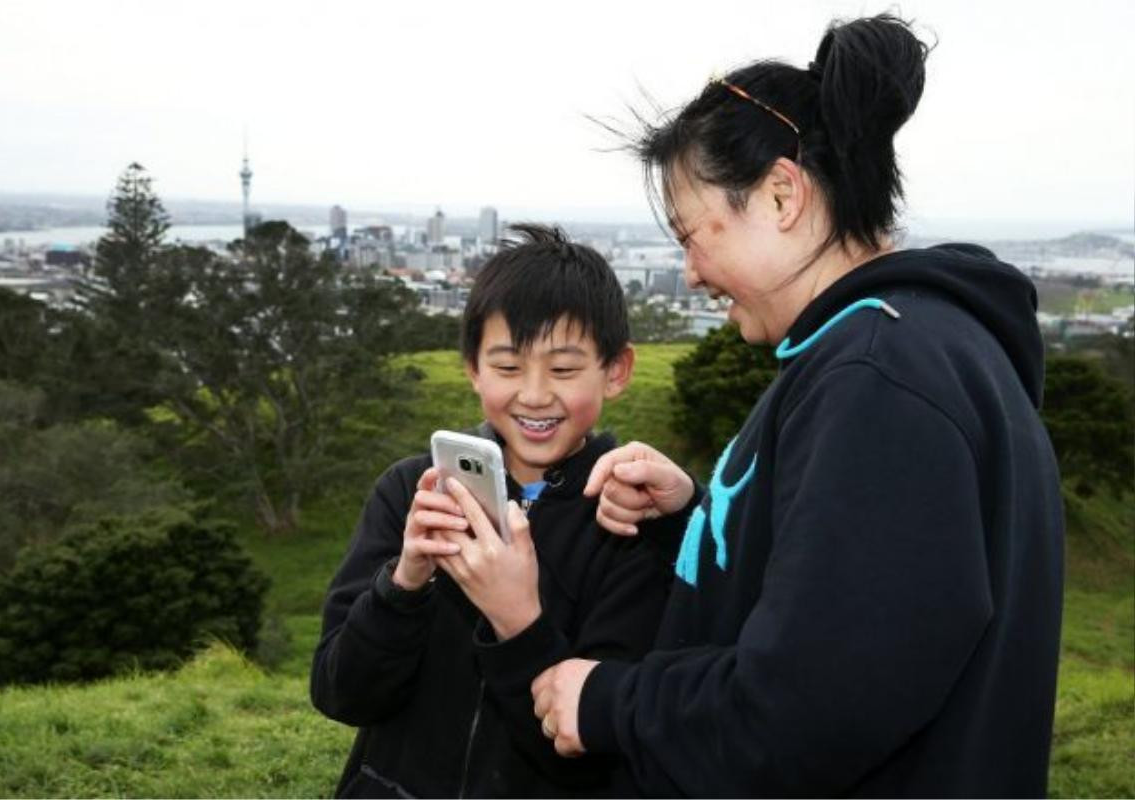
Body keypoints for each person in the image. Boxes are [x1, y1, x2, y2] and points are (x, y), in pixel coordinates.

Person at [530, 14, 1065, 797]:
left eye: (692, 234)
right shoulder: (906, 348)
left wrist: (611, 702)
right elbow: (862, 595)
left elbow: (813, 705)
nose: (689, 274)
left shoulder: (880, 381)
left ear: (782, 194)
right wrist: (702, 520)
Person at [310, 224, 682, 797]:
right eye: (508, 367)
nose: (533, 395)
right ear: (473, 368)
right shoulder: (413, 492)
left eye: (562, 370)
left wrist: (518, 623)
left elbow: (590, 761)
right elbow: (341, 694)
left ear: (617, 370)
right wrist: (404, 584)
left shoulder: (628, 522)